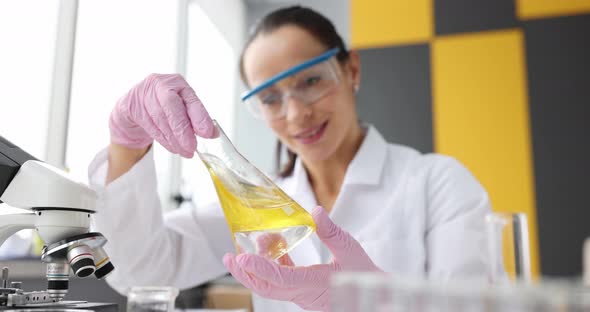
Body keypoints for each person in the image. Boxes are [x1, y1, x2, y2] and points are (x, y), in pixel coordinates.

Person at [89, 6, 492, 312]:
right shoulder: (256, 208)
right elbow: (143, 270)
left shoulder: (437, 182)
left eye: (312, 80)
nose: (297, 114)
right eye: (270, 98)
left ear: (350, 70)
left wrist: (370, 302)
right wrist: (126, 144)